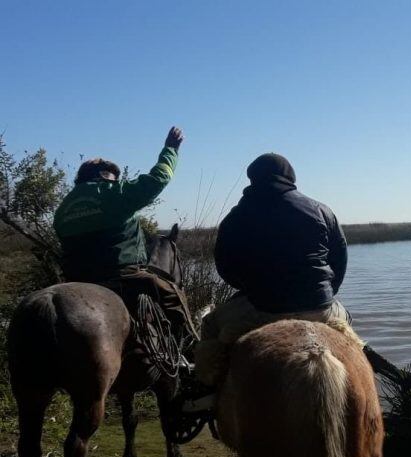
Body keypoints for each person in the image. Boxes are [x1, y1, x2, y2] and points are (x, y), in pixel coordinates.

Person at [194, 153, 356, 390]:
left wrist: (249, 287)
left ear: (252, 179)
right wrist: (326, 294)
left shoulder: (236, 216)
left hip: (261, 308)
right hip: (319, 307)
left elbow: (225, 266)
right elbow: (339, 260)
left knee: (210, 326)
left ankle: (208, 392)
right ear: (291, 178)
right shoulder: (322, 210)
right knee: (349, 328)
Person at [53, 127, 195, 339]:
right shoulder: (112, 192)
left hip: (75, 279)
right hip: (120, 276)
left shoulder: (63, 207)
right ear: (102, 176)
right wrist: (171, 150)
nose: (115, 182)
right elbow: (159, 178)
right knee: (172, 295)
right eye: (113, 179)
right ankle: (194, 352)